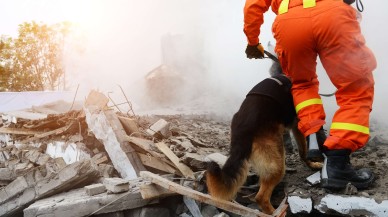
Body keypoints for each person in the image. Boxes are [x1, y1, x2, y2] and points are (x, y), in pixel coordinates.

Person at [243, 0, 376, 190]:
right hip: (331, 15)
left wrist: (253, 42)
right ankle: (337, 163)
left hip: (290, 22)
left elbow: (253, 5)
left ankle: (314, 136)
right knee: (355, 88)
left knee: (302, 83)